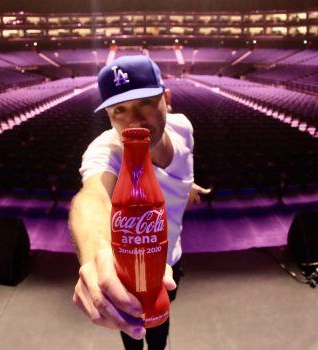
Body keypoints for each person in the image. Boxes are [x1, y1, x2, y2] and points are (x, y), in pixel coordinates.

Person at [69, 55, 210, 350]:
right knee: (132, 331)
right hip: (127, 272)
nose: (133, 120)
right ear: (109, 117)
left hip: (171, 260)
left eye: (144, 102)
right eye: (119, 109)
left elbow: (179, 169)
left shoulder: (184, 127)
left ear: (166, 99)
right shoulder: (106, 152)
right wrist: (97, 255)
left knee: (161, 326)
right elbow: (91, 199)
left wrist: (186, 188)